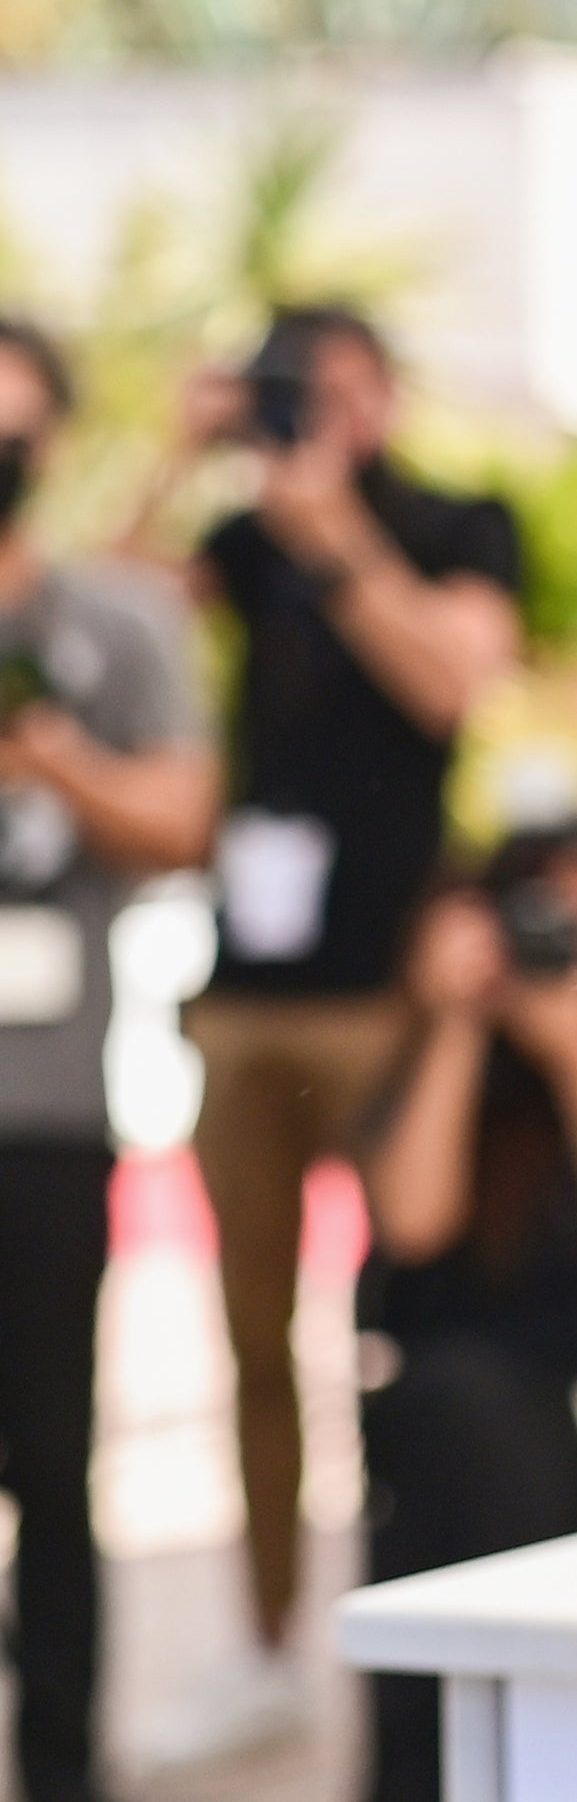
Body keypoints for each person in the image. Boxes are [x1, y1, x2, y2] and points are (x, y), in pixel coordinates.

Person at [137, 304, 519, 1762]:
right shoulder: (239, 537)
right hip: (247, 994)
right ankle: (262, 1638)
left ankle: (405, 1633)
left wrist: (335, 528)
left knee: (397, 1328)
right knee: (247, 1337)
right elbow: (99, 628)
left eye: (333, 387)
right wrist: (176, 462)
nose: (312, 414)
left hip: (388, 996)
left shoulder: (449, 521)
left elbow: (455, 678)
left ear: (384, 396)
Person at [0, 317, 214, 1802]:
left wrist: (54, 753)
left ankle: (62, 1762)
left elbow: (182, 818)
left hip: (50, 1103)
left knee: (54, 1462)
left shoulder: (116, 621)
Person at [356, 827, 577, 1802]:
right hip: (477, 1406)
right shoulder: (454, 1062)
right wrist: (454, 1023)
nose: (551, 949)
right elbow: (412, 1220)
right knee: (470, 1412)